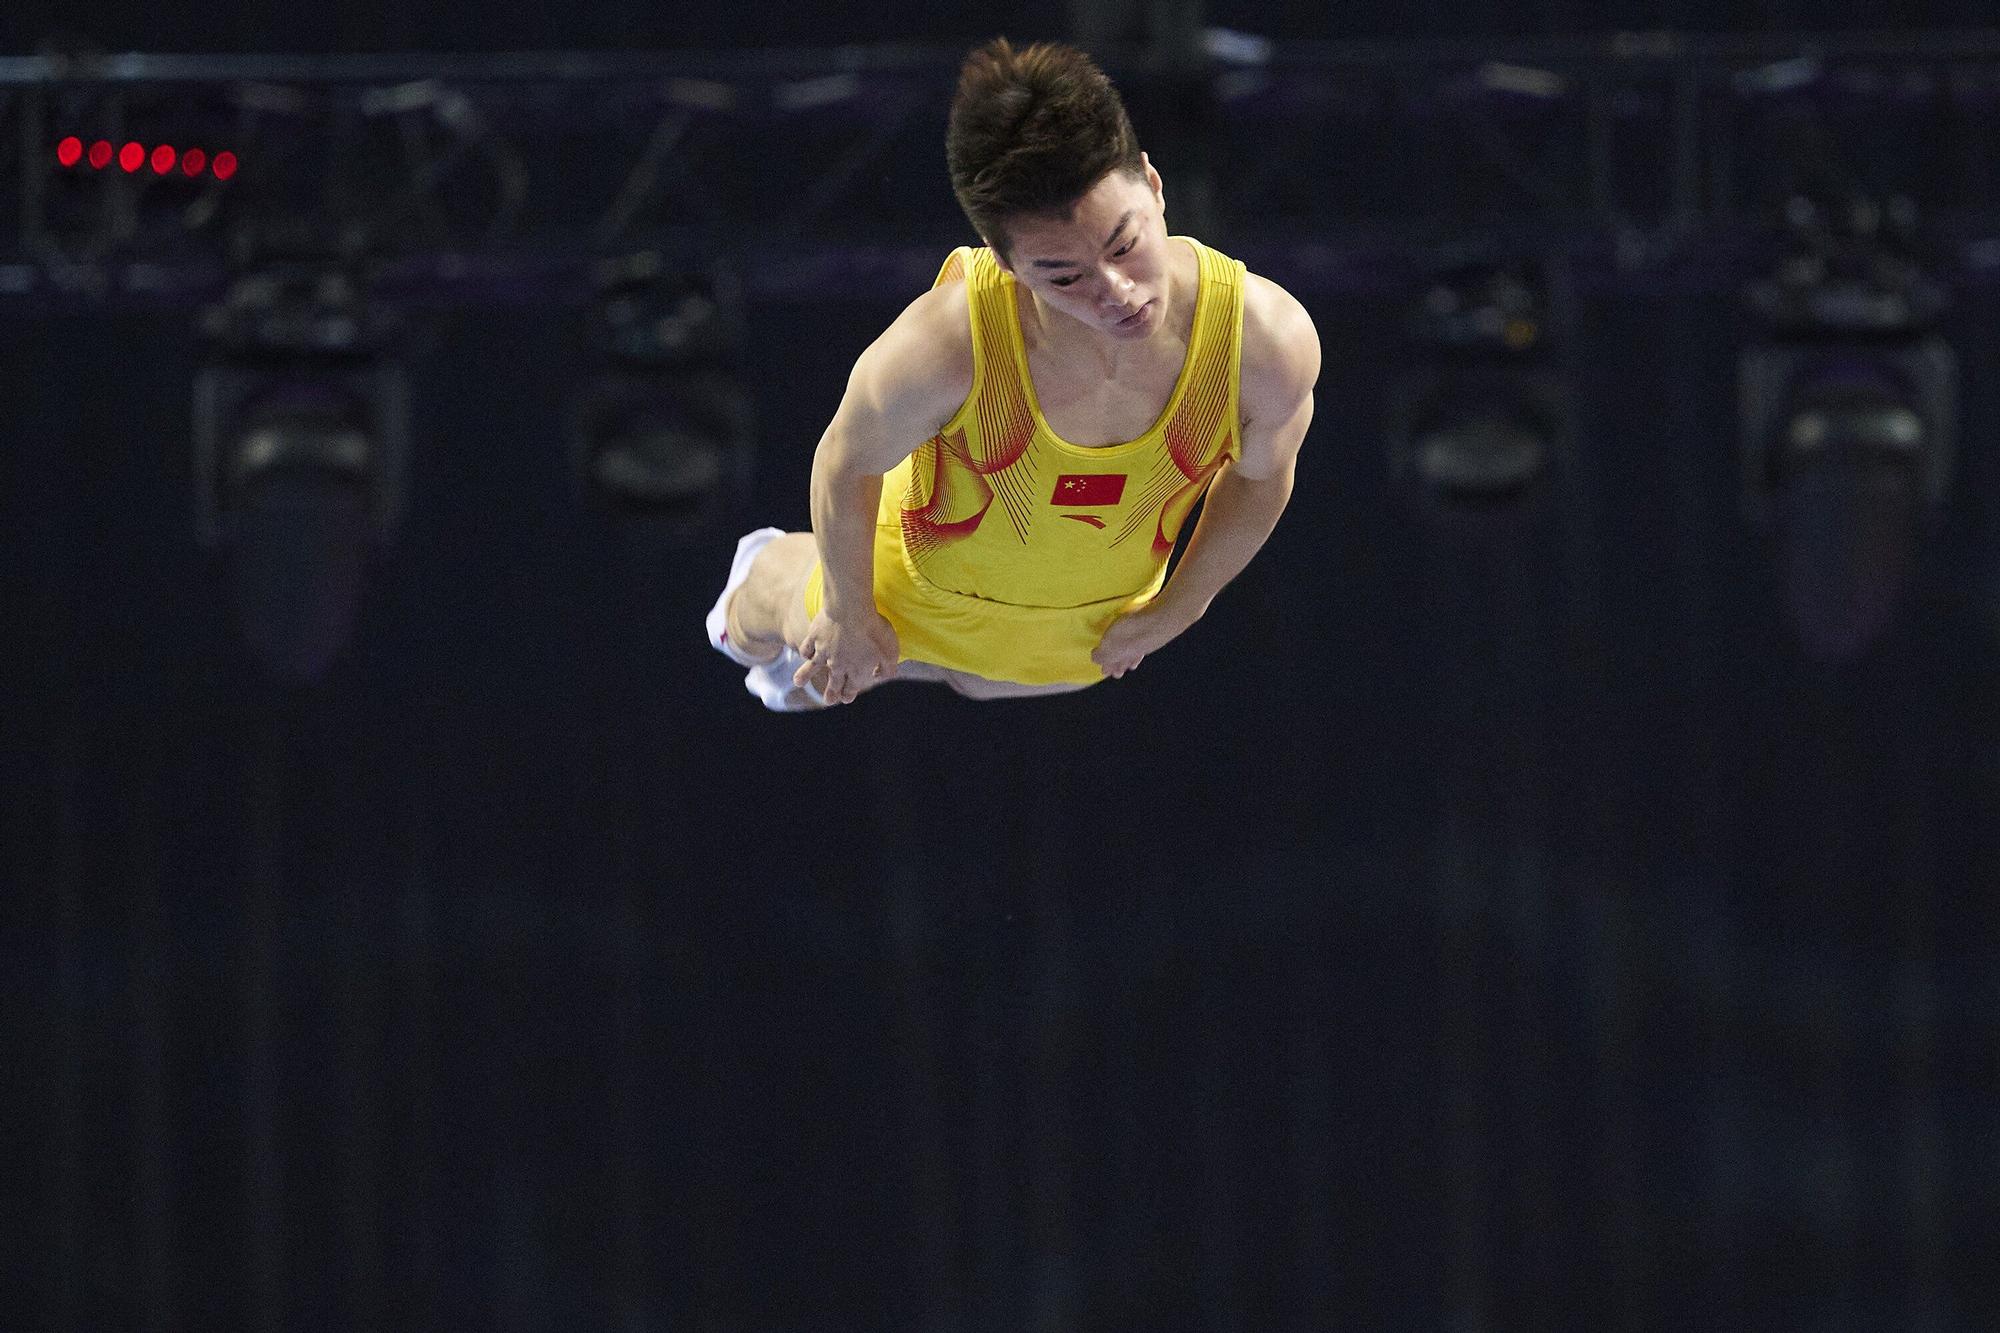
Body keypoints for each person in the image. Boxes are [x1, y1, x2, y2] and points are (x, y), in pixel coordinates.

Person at [706, 37, 1319, 709]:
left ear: (1152, 183)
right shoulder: (946, 344)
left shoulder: (1261, 342)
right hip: (906, 591)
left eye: (1125, 243)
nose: (1114, 290)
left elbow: (1260, 479)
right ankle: (759, 576)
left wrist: (1183, 604)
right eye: (1063, 275)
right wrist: (849, 614)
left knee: (978, 680)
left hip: (1083, 629)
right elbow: (844, 462)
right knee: (815, 629)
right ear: (1004, 263)